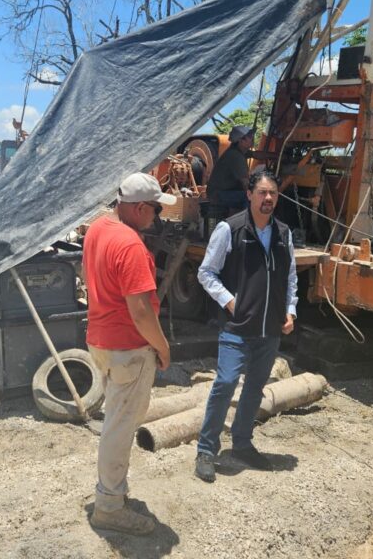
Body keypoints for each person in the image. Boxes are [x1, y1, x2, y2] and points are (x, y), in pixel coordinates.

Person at [84, 172, 175, 535]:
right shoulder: (131, 246)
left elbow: (91, 279)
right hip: (128, 348)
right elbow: (140, 311)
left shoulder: (97, 228)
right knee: (120, 428)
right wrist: (163, 347)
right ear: (139, 208)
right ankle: (109, 506)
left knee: (115, 421)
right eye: (156, 209)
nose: (157, 215)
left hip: (101, 340)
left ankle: (113, 492)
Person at [194, 169, 297, 482]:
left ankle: (242, 443)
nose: (268, 198)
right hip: (236, 327)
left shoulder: (283, 233)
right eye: (262, 192)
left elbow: (290, 276)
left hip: (270, 329)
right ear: (250, 195)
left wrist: (290, 310)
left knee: (254, 388)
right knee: (225, 383)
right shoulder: (230, 229)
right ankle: (206, 450)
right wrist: (229, 302)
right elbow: (206, 272)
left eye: (273, 193)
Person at [206, 125, 254, 212]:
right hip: (218, 195)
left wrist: (275, 156)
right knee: (249, 197)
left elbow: (256, 154)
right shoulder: (235, 156)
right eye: (250, 136)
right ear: (241, 140)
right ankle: (248, 219)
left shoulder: (239, 151)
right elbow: (245, 184)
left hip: (221, 193)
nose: (252, 138)